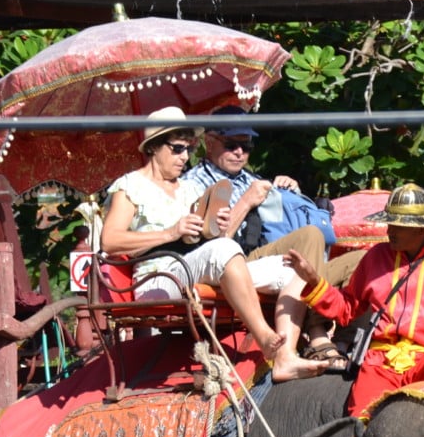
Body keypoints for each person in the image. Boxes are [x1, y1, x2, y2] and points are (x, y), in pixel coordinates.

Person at [99, 107, 324, 382]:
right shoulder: (131, 186)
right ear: (155, 147)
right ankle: (265, 337)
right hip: (159, 277)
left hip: (199, 265)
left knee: (294, 268)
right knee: (222, 251)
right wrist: (171, 232)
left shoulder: (190, 188)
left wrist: (221, 224)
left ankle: (286, 355)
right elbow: (109, 241)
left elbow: (219, 244)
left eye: (189, 149)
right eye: (178, 149)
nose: (185, 157)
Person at [286, 182, 424, 415]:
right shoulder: (374, 257)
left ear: (421, 229)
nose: (389, 230)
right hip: (380, 361)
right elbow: (346, 308)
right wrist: (314, 281)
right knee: (360, 419)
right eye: (389, 222)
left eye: (398, 225)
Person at [183, 106, 364, 369]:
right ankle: (314, 333)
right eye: (232, 144)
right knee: (311, 236)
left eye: (247, 146)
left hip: (263, 255)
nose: (240, 153)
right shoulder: (194, 183)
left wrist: (286, 193)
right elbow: (213, 248)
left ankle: (346, 339)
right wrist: (246, 202)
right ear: (208, 143)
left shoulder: (252, 178)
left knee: (363, 259)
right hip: (229, 264)